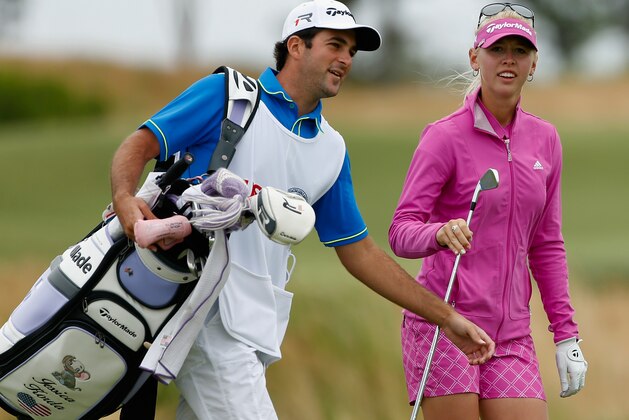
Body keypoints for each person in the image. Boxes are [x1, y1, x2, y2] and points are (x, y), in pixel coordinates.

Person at [110, 1, 495, 418]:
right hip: (201, 311)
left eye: (351, 50)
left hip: (253, 328)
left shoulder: (330, 149)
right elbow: (141, 144)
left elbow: (359, 252)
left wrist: (446, 317)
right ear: (296, 46)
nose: (346, 59)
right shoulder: (228, 97)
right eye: (335, 45)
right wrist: (125, 199)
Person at [388, 3, 588, 420]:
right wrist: (438, 233)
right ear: (475, 57)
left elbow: (547, 245)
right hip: (444, 322)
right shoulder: (443, 138)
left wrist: (566, 335)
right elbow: (401, 231)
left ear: (534, 64)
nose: (509, 59)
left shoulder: (545, 140)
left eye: (520, 50)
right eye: (498, 49)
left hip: (512, 333)